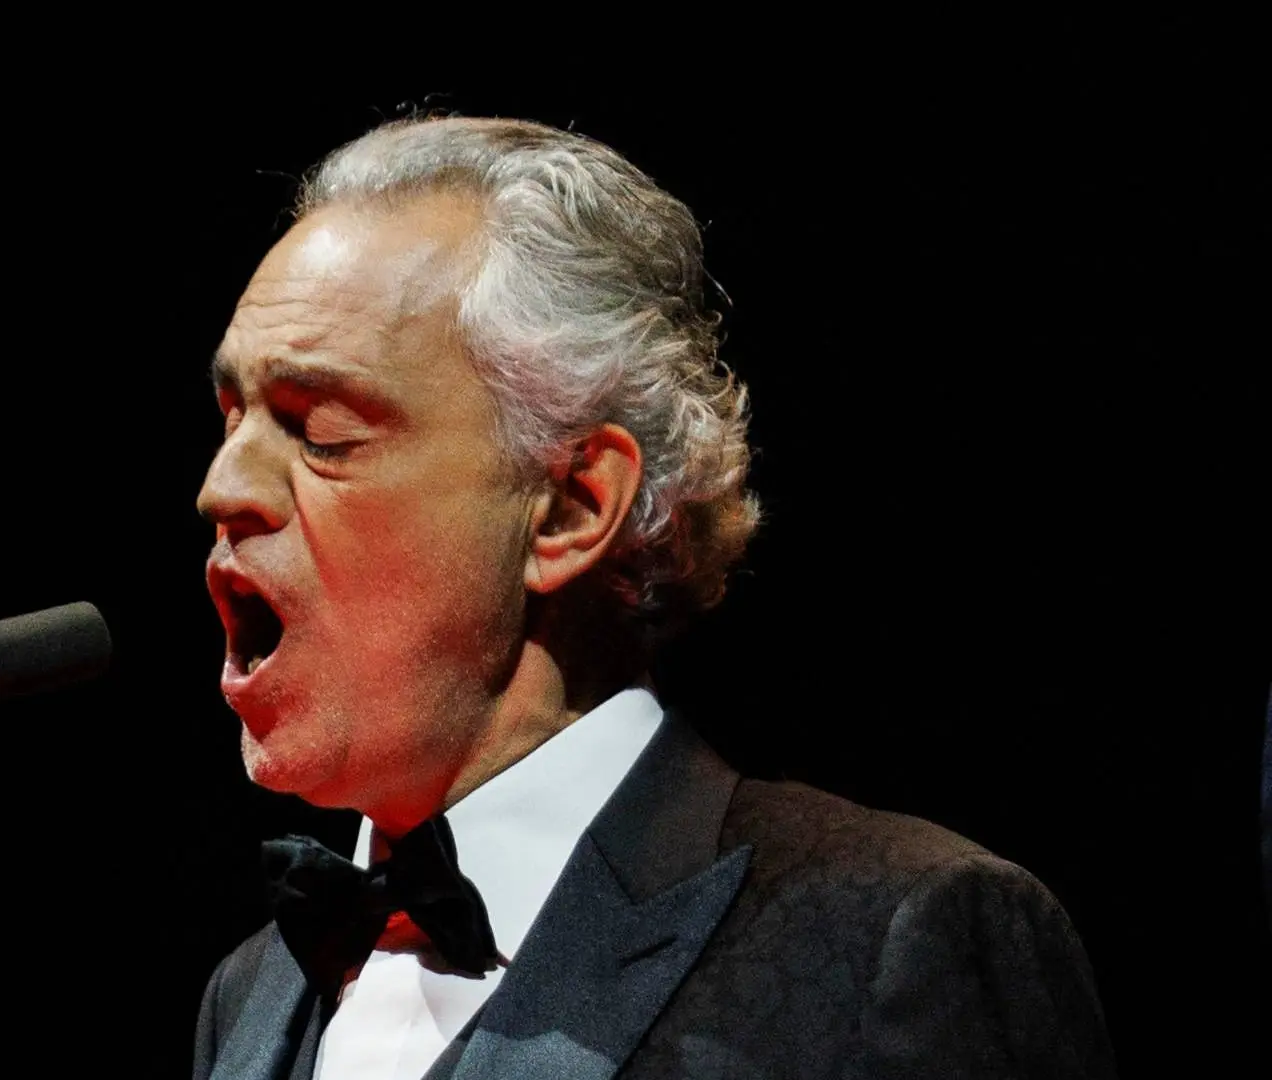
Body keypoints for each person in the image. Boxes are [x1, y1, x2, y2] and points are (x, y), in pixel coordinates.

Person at [192, 116, 1115, 1080]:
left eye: (322, 431)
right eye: (230, 420)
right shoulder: (251, 992)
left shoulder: (893, 935)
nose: (221, 489)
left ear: (570, 508)